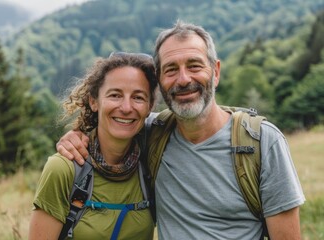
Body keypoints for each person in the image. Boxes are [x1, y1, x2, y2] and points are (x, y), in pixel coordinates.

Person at [56, 20, 305, 239]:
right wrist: (78, 134)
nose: (183, 79)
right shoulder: (152, 132)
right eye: (171, 69)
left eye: (195, 66)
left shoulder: (262, 142)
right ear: (160, 81)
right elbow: (116, 120)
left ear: (215, 72)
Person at [29, 52, 158, 240]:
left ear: (150, 107)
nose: (127, 107)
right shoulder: (65, 169)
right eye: (115, 95)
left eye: (138, 97)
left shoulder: (152, 164)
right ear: (94, 101)